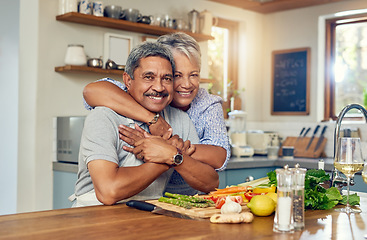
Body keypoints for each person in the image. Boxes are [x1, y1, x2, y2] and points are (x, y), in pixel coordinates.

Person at [73, 41, 219, 207]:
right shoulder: (103, 117)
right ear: (128, 81)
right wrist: (168, 157)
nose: (158, 87)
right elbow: (108, 192)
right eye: (149, 77)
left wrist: (174, 156)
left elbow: (211, 183)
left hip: (148, 215)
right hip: (94, 215)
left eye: (166, 79)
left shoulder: (179, 119)